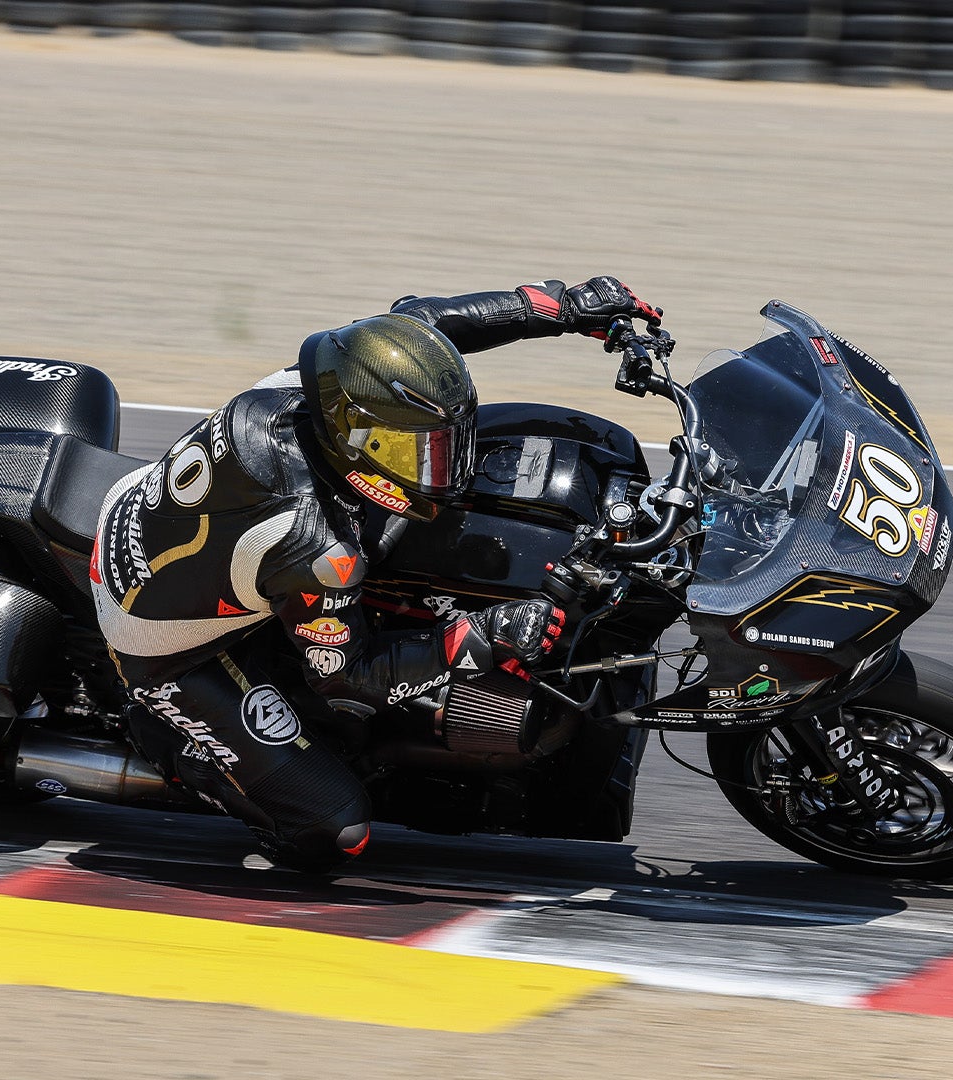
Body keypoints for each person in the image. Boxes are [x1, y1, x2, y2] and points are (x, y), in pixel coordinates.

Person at [89, 276, 662, 870]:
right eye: (419, 450)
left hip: (165, 526)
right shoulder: (316, 548)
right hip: (164, 645)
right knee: (334, 830)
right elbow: (350, 676)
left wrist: (562, 306)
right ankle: (168, 741)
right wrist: (481, 635)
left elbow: (422, 321)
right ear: (358, 437)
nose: (442, 465)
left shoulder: (315, 382)